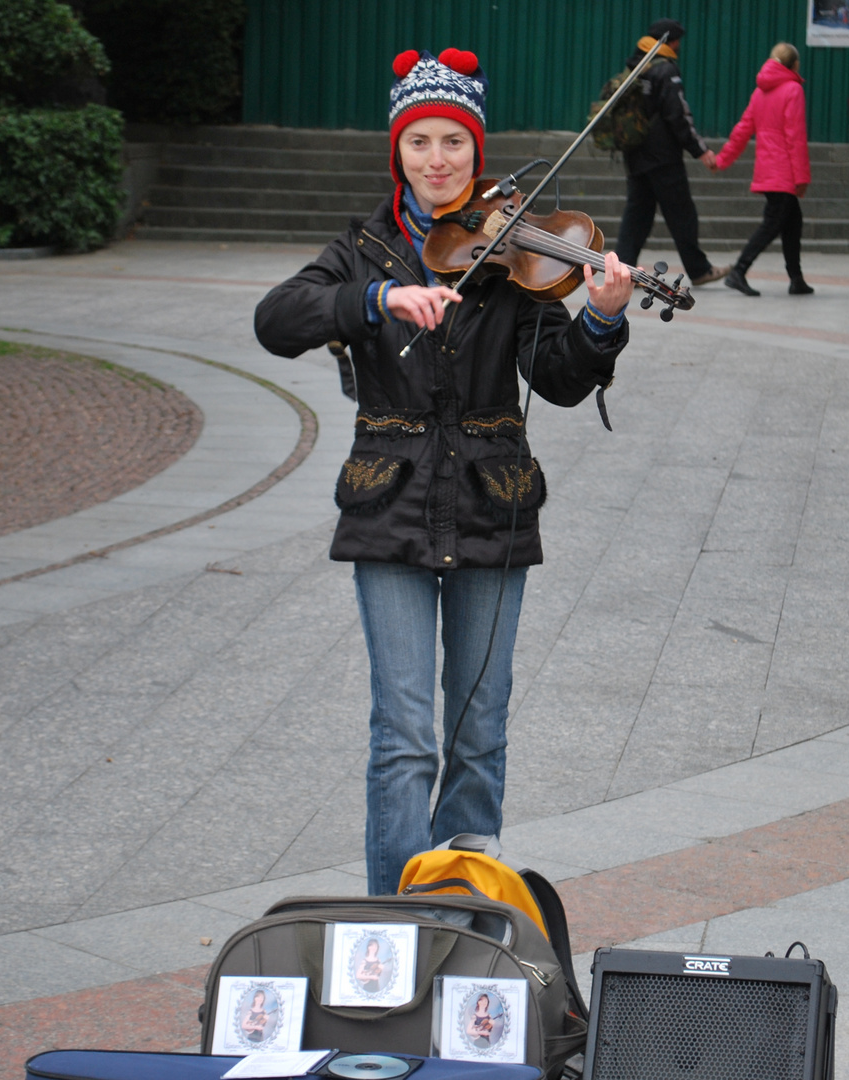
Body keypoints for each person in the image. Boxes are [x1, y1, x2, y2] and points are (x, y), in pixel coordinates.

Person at [253, 48, 633, 897]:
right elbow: (275, 320)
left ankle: (460, 903)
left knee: (478, 725)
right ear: (398, 150)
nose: (437, 160)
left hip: (491, 506)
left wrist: (601, 320)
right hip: (387, 507)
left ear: (474, 149)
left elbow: (561, 380)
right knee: (404, 733)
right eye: (419, 141)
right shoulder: (362, 251)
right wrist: (375, 301)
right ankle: (392, 917)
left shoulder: (512, 248)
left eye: (453, 143)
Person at [611, 18, 729, 288]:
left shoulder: (636, 66)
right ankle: (699, 270)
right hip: (663, 158)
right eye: (677, 42)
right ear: (670, 41)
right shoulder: (665, 70)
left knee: (637, 215)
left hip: (636, 154)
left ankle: (624, 270)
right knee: (682, 214)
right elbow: (679, 116)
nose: (678, 47)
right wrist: (701, 150)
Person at [711, 43, 814, 297]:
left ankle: (796, 278)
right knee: (771, 225)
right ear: (795, 65)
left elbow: (743, 129)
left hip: (769, 172)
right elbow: (795, 137)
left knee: (792, 223)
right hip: (785, 173)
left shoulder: (760, 92)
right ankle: (739, 271)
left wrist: (723, 159)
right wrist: (801, 178)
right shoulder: (793, 90)